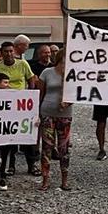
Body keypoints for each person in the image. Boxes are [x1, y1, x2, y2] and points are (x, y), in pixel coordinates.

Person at [0, 41, 38, 176]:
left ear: (14, 51)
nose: (9, 54)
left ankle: (32, 164)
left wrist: (30, 95)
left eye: (11, 51)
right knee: (10, 136)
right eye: (6, 51)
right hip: (5, 108)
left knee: (26, 134)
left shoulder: (23, 64)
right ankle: (11, 165)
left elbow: (31, 79)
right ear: (2, 53)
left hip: (22, 106)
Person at [37, 49, 72, 191]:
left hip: (65, 115)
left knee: (64, 148)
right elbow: (40, 93)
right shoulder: (47, 73)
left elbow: (77, 93)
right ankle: (45, 180)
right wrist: (36, 112)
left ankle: (65, 180)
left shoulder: (71, 75)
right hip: (47, 113)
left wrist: (68, 103)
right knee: (47, 147)